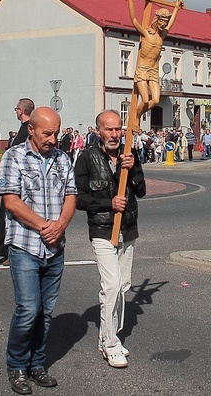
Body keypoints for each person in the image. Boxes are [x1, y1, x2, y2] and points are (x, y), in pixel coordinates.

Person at [0, 106, 76, 394]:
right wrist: (45, 225)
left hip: (55, 247)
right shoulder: (13, 156)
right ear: (31, 130)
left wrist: (61, 225)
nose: (53, 139)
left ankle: (37, 364)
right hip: (25, 245)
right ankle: (17, 365)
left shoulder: (62, 159)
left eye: (56, 133)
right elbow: (11, 201)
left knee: (45, 311)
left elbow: (71, 196)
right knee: (28, 309)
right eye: (47, 133)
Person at [75, 110, 146, 369]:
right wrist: (109, 203)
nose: (114, 134)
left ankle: (108, 335)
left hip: (128, 230)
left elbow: (141, 190)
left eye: (118, 129)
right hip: (103, 231)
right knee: (112, 285)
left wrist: (133, 169)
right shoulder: (87, 158)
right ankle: (111, 343)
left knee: (123, 285)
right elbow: (79, 198)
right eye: (109, 129)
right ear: (98, 131)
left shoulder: (130, 155)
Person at [126, 0, 183, 126]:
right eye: (162, 21)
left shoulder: (161, 37)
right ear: (157, 20)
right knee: (145, 99)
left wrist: (176, 8)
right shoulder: (146, 33)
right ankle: (135, 119)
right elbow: (133, 19)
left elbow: (171, 24)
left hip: (153, 70)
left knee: (156, 100)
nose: (164, 24)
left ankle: (136, 116)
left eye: (165, 21)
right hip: (142, 69)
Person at [0, 98, 35, 263]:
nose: (16, 112)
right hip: (12, 178)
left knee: (15, 216)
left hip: (20, 182)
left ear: (21, 110)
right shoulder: (24, 129)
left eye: (16, 109)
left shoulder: (29, 129)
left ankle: (14, 252)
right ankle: (8, 251)